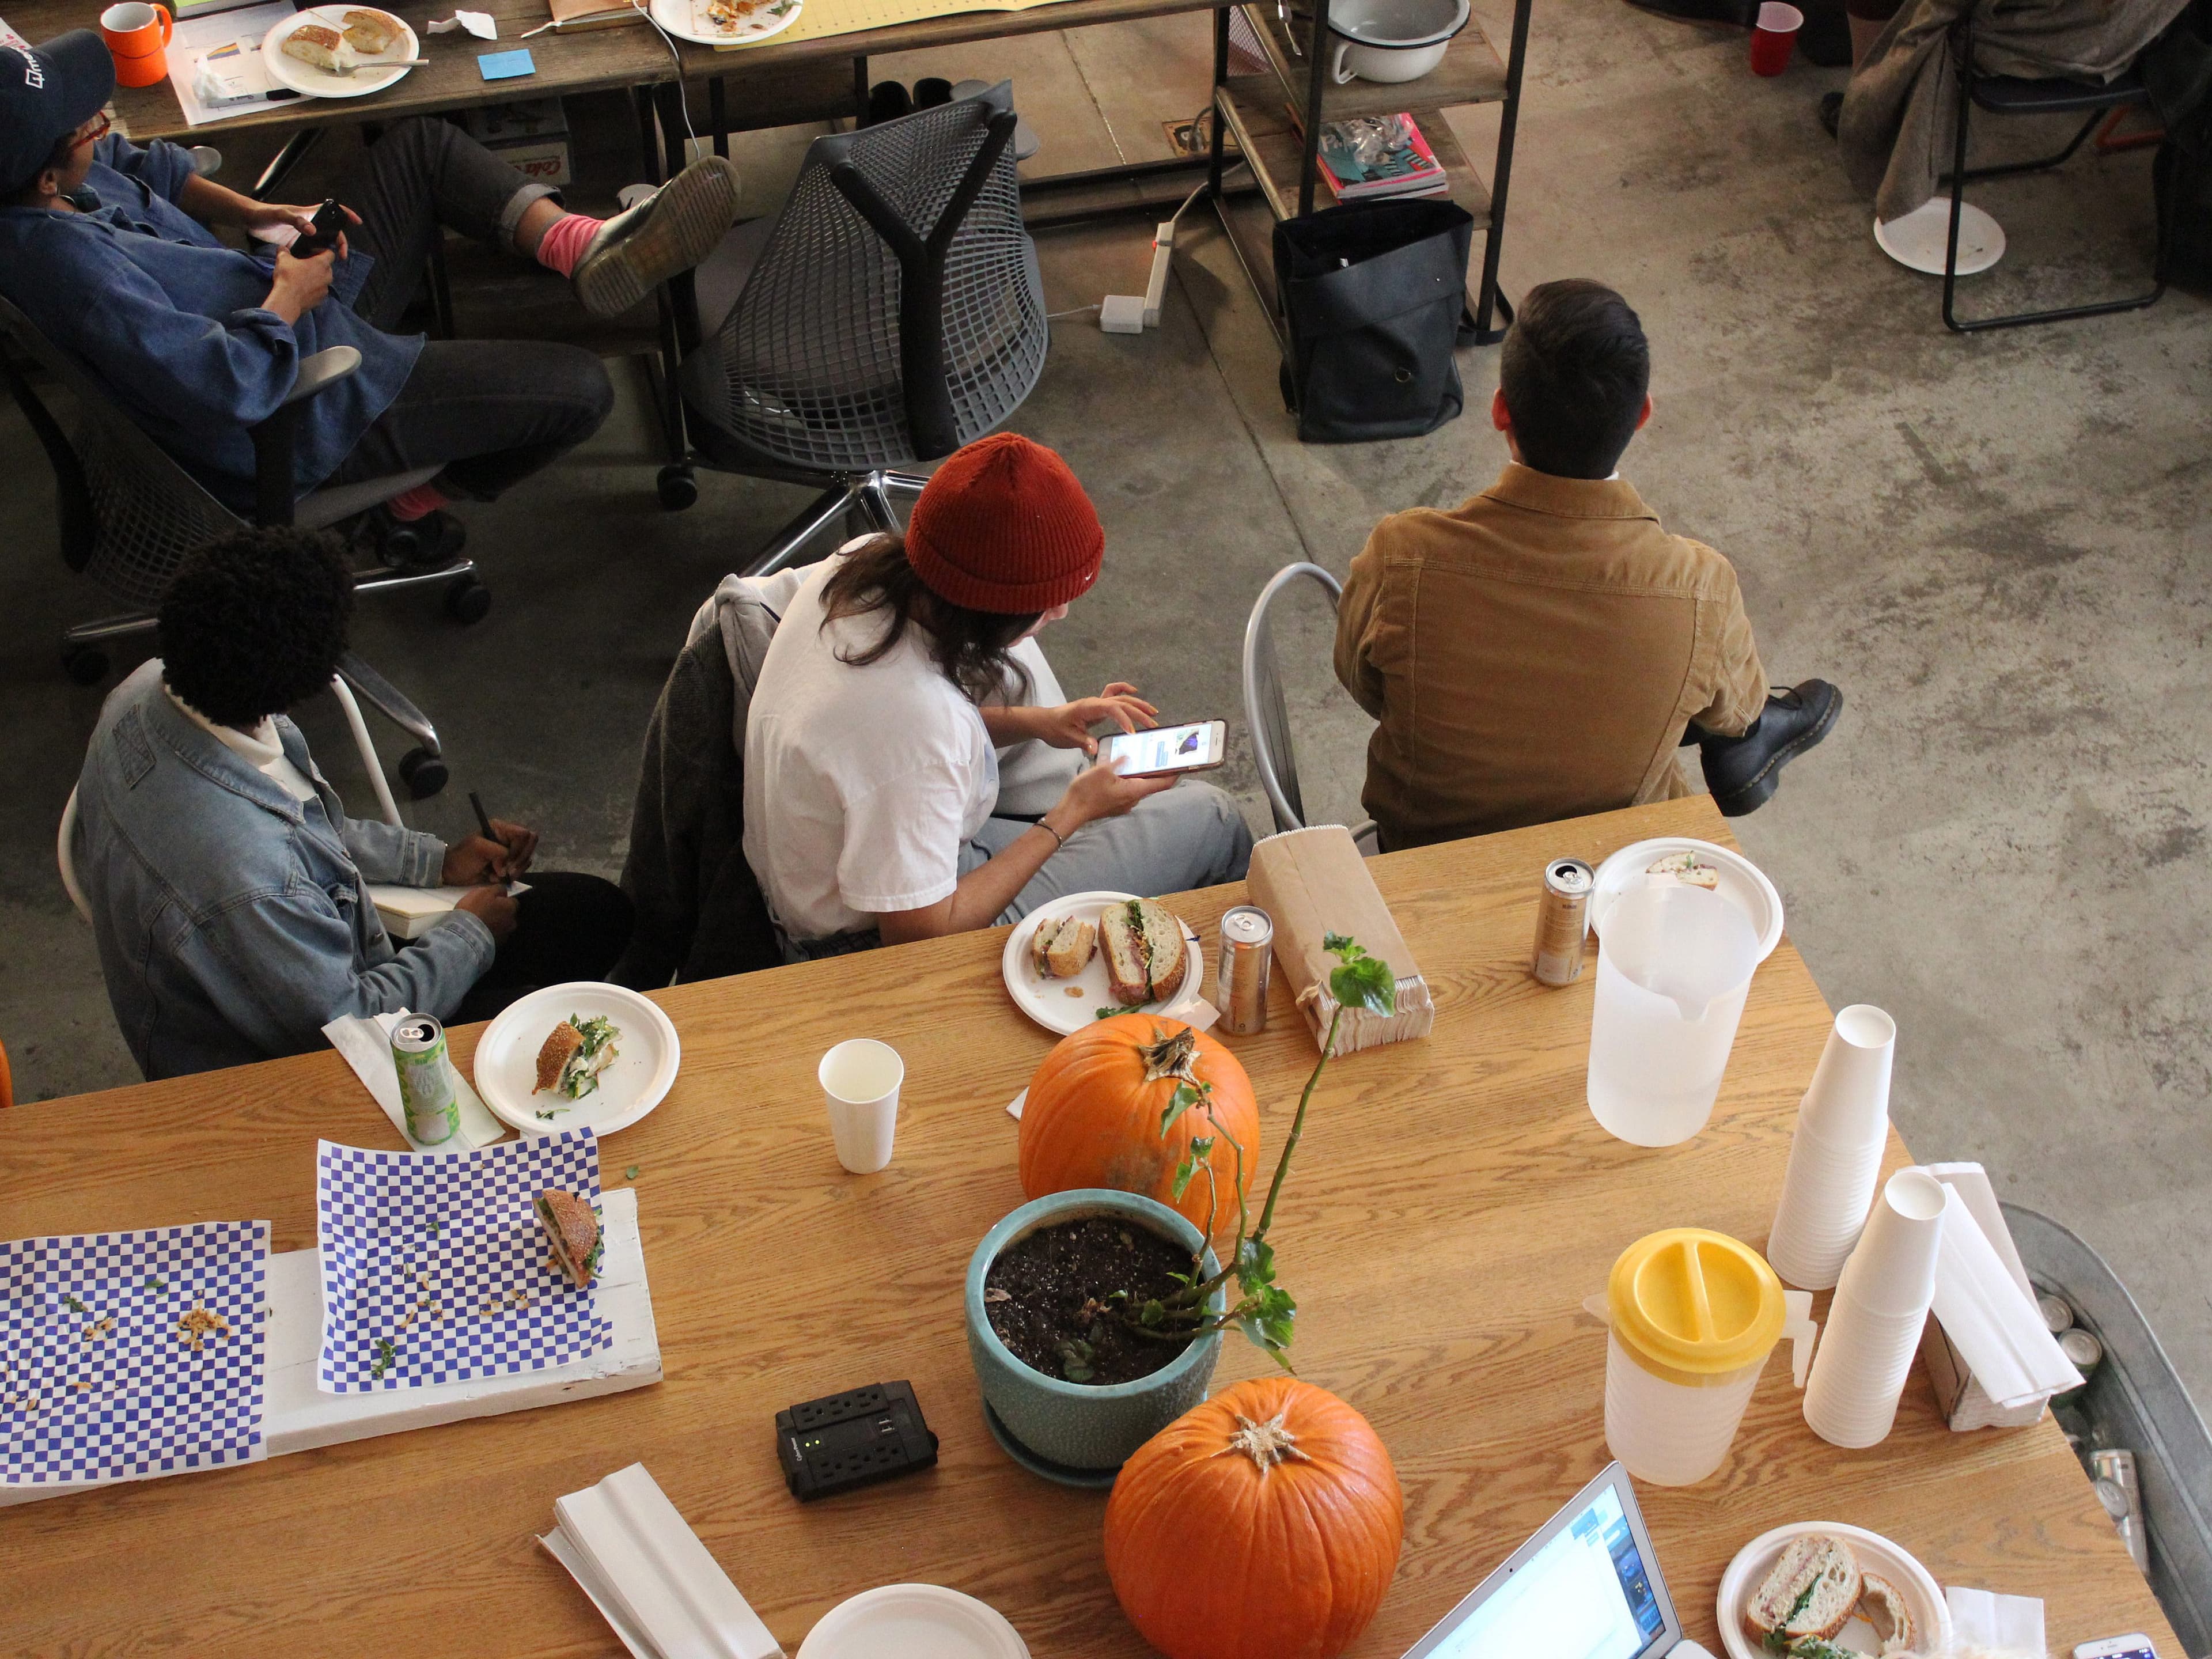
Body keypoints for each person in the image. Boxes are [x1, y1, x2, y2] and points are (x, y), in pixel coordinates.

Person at [0, 30, 743, 539]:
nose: (101, 125)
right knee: (583, 392)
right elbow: (225, 390)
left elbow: (146, 166)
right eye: (84, 124)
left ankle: (583, 246)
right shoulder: (75, 275)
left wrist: (261, 211)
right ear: (42, 172)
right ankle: (401, 512)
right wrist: (289, 297)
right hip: (295, 404)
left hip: (274, 300)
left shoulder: (47, 179)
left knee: (418, 147)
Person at [73, 528, 634, 1079]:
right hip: (288, 1062)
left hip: (294, 954)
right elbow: (346, 1028)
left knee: (594, 912)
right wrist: (470, 937)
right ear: (309, 679)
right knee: (550, 1045)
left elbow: (305, 829)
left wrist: (432, 861)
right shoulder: (249, 879)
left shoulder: (148, 687)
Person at [1333, 279, 1840, 852]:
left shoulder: (1403, 555)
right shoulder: (1700, 585)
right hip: (1611, 867)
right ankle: (1740, 747)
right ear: (1642, 415)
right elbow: (1738, 709)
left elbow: (1365, 684)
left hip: (1426, 857)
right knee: (1709, 706)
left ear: (1501, 409)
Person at [744, 433, 1254, 959]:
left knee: (1038, 708)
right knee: (1211, 821)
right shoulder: (918, 728)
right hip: (864, 943)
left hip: (849, 866)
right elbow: (918, 941)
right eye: (1050, 604)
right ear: (992, 612)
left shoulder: (856, 567)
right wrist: (1071, 815)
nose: (1062, 614)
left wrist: (1040, 722)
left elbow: (879, 745)